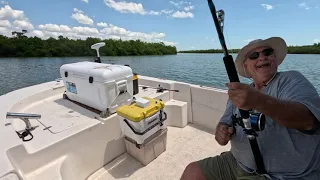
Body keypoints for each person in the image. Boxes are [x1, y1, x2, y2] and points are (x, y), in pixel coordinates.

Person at [180, 37, 320, 180]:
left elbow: (307, 120)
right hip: (237, 163)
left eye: (267, 52)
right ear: (245, 66)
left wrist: (258, 101)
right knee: (193, 172)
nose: (262, 57)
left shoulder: (290, 79)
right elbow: (224, 123)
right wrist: (221, 130)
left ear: (275, 58)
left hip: (285, 175)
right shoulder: (240, 94)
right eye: (254, 55)